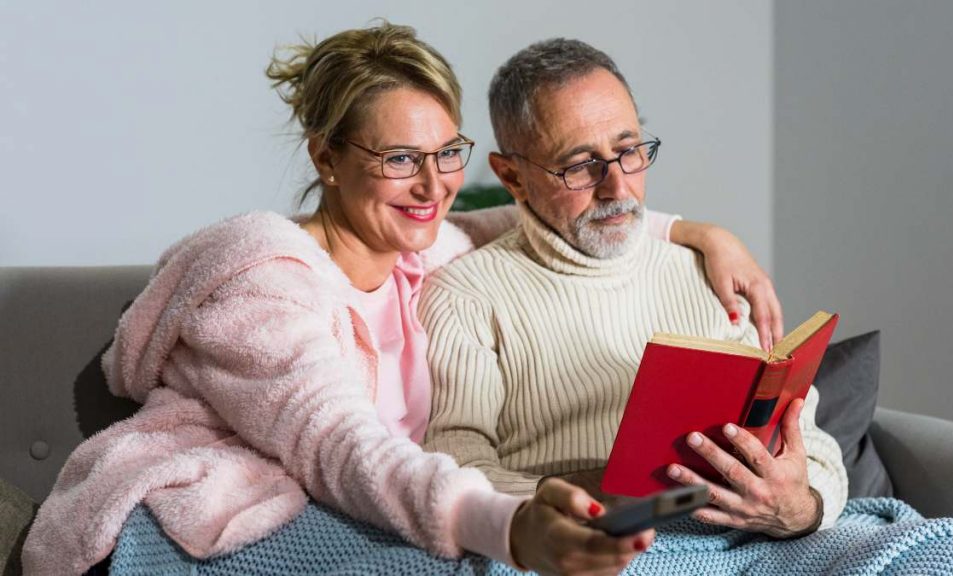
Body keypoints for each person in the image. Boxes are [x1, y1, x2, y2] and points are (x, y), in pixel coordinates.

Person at [22, 23, 784, 575]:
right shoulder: (263, 280)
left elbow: (559, 203)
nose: (433, 187)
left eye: (446, 154)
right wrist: (509, 525)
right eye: (399, 159)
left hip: (387, 497)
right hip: (219, 513)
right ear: (326, 157)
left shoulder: (424, 248)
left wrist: (699, 231)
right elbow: (342, 446)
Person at [420, 37, 848, 539]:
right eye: (581, 165)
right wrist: (601, 492)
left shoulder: (709, 274)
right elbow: (454, 478)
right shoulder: (466, 296)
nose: (618, 187)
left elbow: (816, 451)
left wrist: (796, 507)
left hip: (755, 539)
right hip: (587, 544)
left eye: (629, 151)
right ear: (512, 176)